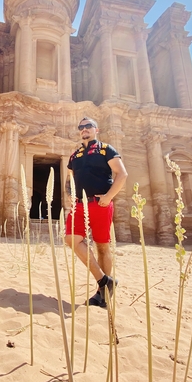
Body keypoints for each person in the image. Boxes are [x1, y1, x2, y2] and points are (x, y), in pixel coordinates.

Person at [65, 117, 128, 308]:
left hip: (100, 203)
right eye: (81, 127)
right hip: (79, 205)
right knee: (70, 239)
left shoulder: (106, 149)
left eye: (88, 126)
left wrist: (109, 197)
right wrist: (69, 195)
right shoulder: (74, 155)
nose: (84, 129)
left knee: (102, 246)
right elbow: (70, 179)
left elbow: (122, 174)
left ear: (96, 129)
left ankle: (102, 295)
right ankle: (104, 280)